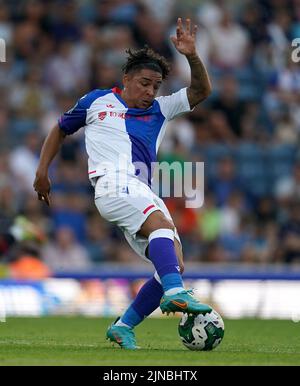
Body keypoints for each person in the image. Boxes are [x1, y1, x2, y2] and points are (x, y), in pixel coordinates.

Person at [34, 18, 212, 349]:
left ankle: (124, 325)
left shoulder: (160, 109)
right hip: (112, 184)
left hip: (142, 188)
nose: (150, 92)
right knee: (160, 229)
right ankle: (175, 294)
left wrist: (191, 55)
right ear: (126, 79)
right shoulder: (95, 101)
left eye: (155, 86)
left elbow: (202, 91)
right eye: (144, 84)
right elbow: (60, 128)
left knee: (173, 260)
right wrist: (42, 171)